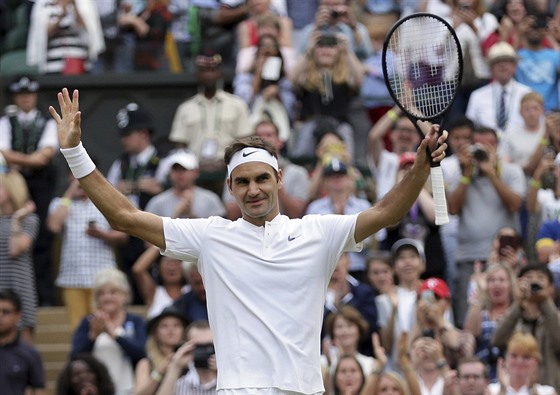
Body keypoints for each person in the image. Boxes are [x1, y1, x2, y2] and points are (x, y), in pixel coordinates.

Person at [50, 87, 447, 394]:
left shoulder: (318, 231)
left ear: (278, 179)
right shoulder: (210, 235)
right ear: (230, 188)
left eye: (261, 179)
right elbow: (124, 216)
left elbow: (386, 213)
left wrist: (421, 169)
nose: (253, 189)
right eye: (242, 182)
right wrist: (75, 152)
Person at [446, 126, 525, 325]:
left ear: (496, 146)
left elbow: (515, 205)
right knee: (468, 314)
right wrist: (466, 173)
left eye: (487, 144)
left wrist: (491, 172)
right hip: (469, 257)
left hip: (504, 259)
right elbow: (452, 208)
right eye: (477, 144)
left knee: (505, 315)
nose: (481, 149)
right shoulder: (460, 172)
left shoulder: (511, 171)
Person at [0, 75, 58, 307]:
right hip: (12, 185)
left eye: (29, 94)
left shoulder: (48, 122)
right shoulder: (6, 121)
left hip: (40, 185)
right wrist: (31, 160)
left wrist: (20, 161)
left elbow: (46, 156)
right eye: (21, 94)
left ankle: (44, 297)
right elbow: (3, 153)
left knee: (42, 237)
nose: (25, 98)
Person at [47, 175, 128, 330]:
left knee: (105, 323)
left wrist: (103, 235)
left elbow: (123, 236)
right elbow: (54, 226)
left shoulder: (106, 202)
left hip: (102, 278)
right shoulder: (61, 202)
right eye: (74, 178)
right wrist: (70, 193)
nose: (79, 182)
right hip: (72, 277)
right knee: (77, 327)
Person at [168, 52, 251, 195]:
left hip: (228, 171)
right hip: (195, 174)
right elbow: (180, 144)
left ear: (220, 73)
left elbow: (245, 140)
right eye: (204, 71)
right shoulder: (186, 108)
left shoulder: (237, 105)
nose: (208, 75)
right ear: (197, 74)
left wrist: (228, 163)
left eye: (212, 70)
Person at [107, 102, 164, 304]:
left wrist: (128, 186)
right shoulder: (120, 163)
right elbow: (111, 190)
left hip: (157, 230)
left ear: (144, 133)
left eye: (128, 134)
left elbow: (161, 187)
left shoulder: (163, 159)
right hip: (128, 232)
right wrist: (140, 185)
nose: (124, 140)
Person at [70, 268, 147, 395]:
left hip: (129, 388)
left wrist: (115, 334)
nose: (107, 297)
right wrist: (92, 336)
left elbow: (141, 353)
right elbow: (75, 356)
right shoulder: (88, 322)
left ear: (124, 295)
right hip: (96, 390)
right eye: (102, 293)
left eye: (113, 292)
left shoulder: (135, 321)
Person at [289, 31, 364, 161]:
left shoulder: (345, 77)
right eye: (321, 46)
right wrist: (309, 49)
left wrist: (347, 51)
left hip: (339, 125)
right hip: (310, 123)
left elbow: (359, 79)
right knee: (302, 154)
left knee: (345, 144)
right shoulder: (306, 76)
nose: (325, 50)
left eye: (331, 47)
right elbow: (292, 78)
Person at [491, 263, 560, 392]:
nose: (534, 282)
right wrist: (518, 303)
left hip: (552, 389)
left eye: (540, 278)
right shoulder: (512, 318)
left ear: (551, 288)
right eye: (528, 278)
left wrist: (545, 302)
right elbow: (497, 340)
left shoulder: (555, 317)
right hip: (516, 390)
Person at [223, 120, 310, 220]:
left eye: (269, 135)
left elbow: (296, 213)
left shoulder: (297, 172)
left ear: (280, 141)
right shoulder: (237, 170)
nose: (263, 139)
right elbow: (231, 214)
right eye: (258, 136)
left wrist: (274, 181)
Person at [306, 160, 373, 278]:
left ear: (349, 179)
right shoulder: (315, 208)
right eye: (332, 176)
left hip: (358, 268)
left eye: (341, 175)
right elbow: (311, 241)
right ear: (324, 182)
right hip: (325, 270)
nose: (337, 179)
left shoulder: (363, 206)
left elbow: (369, 241)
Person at [0, 170, 39, 342]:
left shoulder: (28, 220)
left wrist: (16, 219)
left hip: (19, 286)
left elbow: (15, 248)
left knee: (23, 346)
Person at [462, 263, 516, 380]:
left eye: (502, 280)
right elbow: (469, 332)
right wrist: (479, 298)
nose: (496, 284)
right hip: (481, 376)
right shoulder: (480, 311)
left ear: (510, 285)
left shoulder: (516, 312)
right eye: (491, 280)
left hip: (511, 374)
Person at [466, 41, 533, 136]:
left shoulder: (527, 93)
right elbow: (470, 129)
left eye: (507, 61)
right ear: (491, 68)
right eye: (497, 62)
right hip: (487, 146)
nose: (502, 65)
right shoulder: (477, 96)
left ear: (515, 67)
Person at [27, 0, 104, 74]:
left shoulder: (84, 3)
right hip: (53, 65)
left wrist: (75, 7)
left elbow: (88, 32)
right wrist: (62, 13)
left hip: (79, 63)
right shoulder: (44, 4)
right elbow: (43, 35)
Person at [145, 150, 226, 219]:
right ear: (170, 173)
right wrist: (176, 215)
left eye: (184, 169)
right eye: (176, 169)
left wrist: (190, 214)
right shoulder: (157, 203)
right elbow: (149, 232)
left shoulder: (211, 200)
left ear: (196, 172)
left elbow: (218, 230)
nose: (180, 173)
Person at [0, 290, 46, 395]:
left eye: (5, 312)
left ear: (18, 315)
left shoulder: (29, 354)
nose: (0, 316)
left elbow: (39, 389)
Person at [135, 307, 187, 395]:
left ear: (184, 331)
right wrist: (160, 372)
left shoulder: (192, 359)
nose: (171, 329)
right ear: (155, 332)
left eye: (176, 325)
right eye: (164, 326)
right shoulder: (146, 363)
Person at [156, 319, 217, 395]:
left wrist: (224, 370)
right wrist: (176, 366)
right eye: (198, 346)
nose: (203, 352)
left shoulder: (229, 381)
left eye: (208, 346)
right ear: (187, 347)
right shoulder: (178, 385)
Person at [514, 14, 560, 111]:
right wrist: (519, 34)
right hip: (523, 111)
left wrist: (553, 37)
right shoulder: (518, 55)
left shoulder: (555, 55)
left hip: (550, 112)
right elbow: (506, 61)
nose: (535, 30)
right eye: (531, 27)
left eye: (538, 27)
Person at [488, 332, 557, 395]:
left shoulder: (547, 392)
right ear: (506, 358)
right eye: (514, 356)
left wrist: (532, 390)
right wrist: (503, 390)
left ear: (536, 361)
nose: (519, 361)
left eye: (526, 357)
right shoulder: (491, 390)